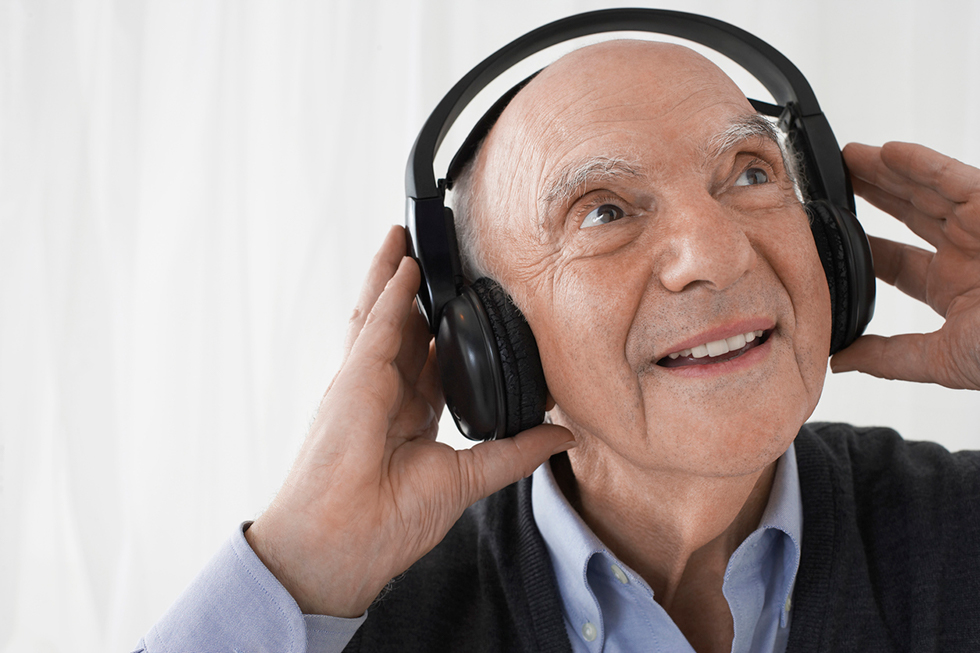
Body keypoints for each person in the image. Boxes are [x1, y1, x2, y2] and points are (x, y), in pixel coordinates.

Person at [134, 38, 980, 653]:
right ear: (487, 345)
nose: (717, 254)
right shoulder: (350, 619)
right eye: (605, 211)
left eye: (751, 173)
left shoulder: (956, 529)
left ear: (831, 245)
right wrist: (301, 563)